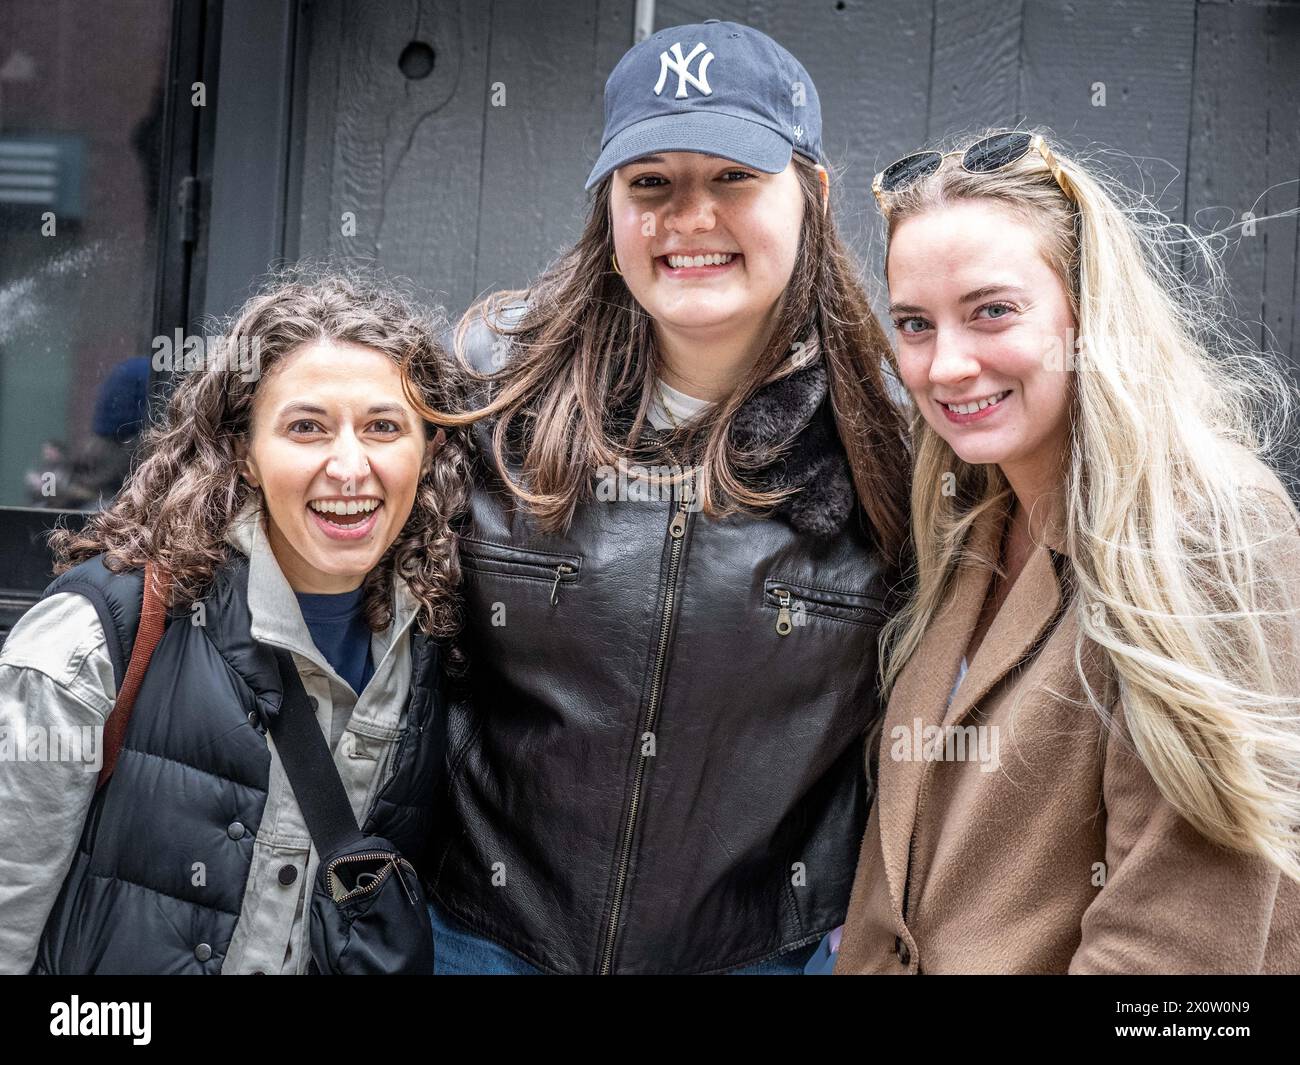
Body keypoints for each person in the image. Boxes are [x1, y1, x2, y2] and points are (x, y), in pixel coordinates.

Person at [412, 19, 912, 975]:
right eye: (652, 183)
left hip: (756, 957)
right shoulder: (490, 385)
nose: (690, 218)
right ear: (609, 205)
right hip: (483, 941)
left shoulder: (892, 441)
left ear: (809, 193)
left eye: (733, 176)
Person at [832, 130, 1300, 973]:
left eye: (993, 311)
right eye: (913, 323)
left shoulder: (1202, 529)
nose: (946, 364)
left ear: (1089, 313)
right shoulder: (965, 519)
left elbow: (1178, 950)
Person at [0, 272, 470, 973]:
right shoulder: (95, 639)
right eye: (306, 426)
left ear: (426, 450)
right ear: (244, 452)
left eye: (383, 426)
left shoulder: (433, 644)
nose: (350, 466)